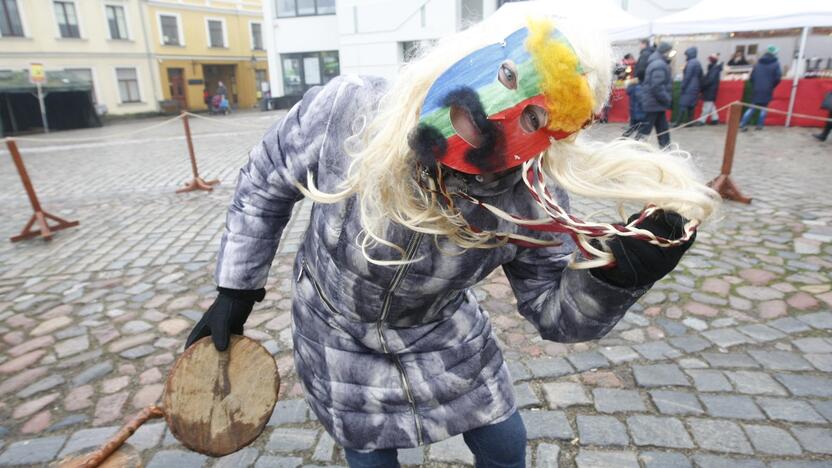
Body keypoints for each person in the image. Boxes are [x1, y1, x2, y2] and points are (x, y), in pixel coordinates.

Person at [185, 11, 718, 468]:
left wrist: (613, 277)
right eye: (507, 76)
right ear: (476, 54)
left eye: (536, 116)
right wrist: (237, 288)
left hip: (437, 329)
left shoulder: (529, 196)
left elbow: (552, 311)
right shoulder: (350, 108)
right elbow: (265, 181)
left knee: (505, 442)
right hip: (336, 329)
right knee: (370, 455)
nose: (502, 116)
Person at [637, 42, 674, 148]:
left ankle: (666, 148)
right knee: (645, 130)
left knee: (662, 128)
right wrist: (667, 99)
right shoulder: (659, 64)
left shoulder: (658, 62)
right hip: (654, 103)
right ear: (665, 52)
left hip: (655, 104)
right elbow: (657, 86)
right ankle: (636, 148)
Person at [740, 45, 782, 132]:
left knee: (752, 107)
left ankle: (742, 123)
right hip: (767, 89)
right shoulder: (776, 64)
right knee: (764, 108)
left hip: (756, 88)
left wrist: (755, 85)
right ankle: (760, 125)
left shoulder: (758, 64)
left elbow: (751, 77)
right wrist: (772, 85)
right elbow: (778, 78)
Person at [674, 47, 702, 127]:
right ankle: (690, 122)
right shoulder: (697, 62)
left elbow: (687, 77)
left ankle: (677, 123)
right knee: (691, 106)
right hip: (695, 86)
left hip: (689, 87)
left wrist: (683, 86)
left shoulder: (690, 63)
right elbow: (700, 75)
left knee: (682, 105)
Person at [697, 53, 723, 125]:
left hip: (710, 90)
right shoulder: (715, 68)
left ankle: (701, 121)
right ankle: (715, 119)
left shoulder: (714, 69)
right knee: (711, 105)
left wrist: (702, 85)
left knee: (707, 106)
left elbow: (709, 80)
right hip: (711, 90)